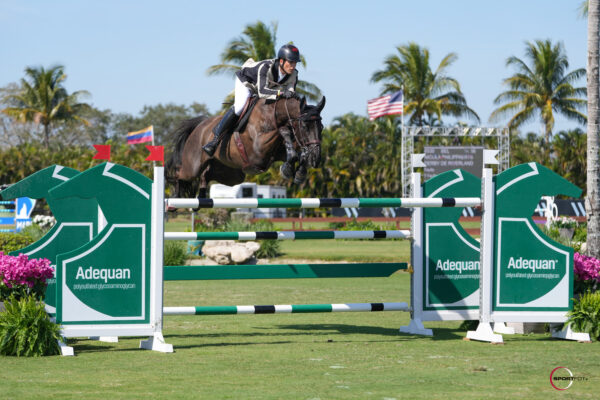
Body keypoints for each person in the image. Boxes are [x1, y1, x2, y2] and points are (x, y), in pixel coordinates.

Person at [202, 44, 301, 156]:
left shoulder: (294, 74)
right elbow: (262, 91)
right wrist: (281, 93)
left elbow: (291, 92)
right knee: (240, 107)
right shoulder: (266, 67)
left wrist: (293, 95)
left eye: (295, 63)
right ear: (282, 61)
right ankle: (214, 140)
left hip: (265, 87)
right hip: (247, 82)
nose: (293, 66)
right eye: (291, 62)